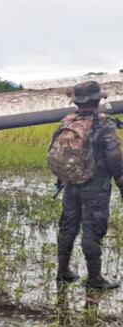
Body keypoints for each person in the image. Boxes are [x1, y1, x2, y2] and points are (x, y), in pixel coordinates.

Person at [52, 81, 123, 289]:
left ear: (77, 102)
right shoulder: (103, 124)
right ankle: (95, 279)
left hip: (70, 181)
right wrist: (120, 179)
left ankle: (63, 271)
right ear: (97, 100)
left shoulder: (66, 121)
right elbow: (114, 155)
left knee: (67, 226)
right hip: (95, 185)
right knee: (93, 228)